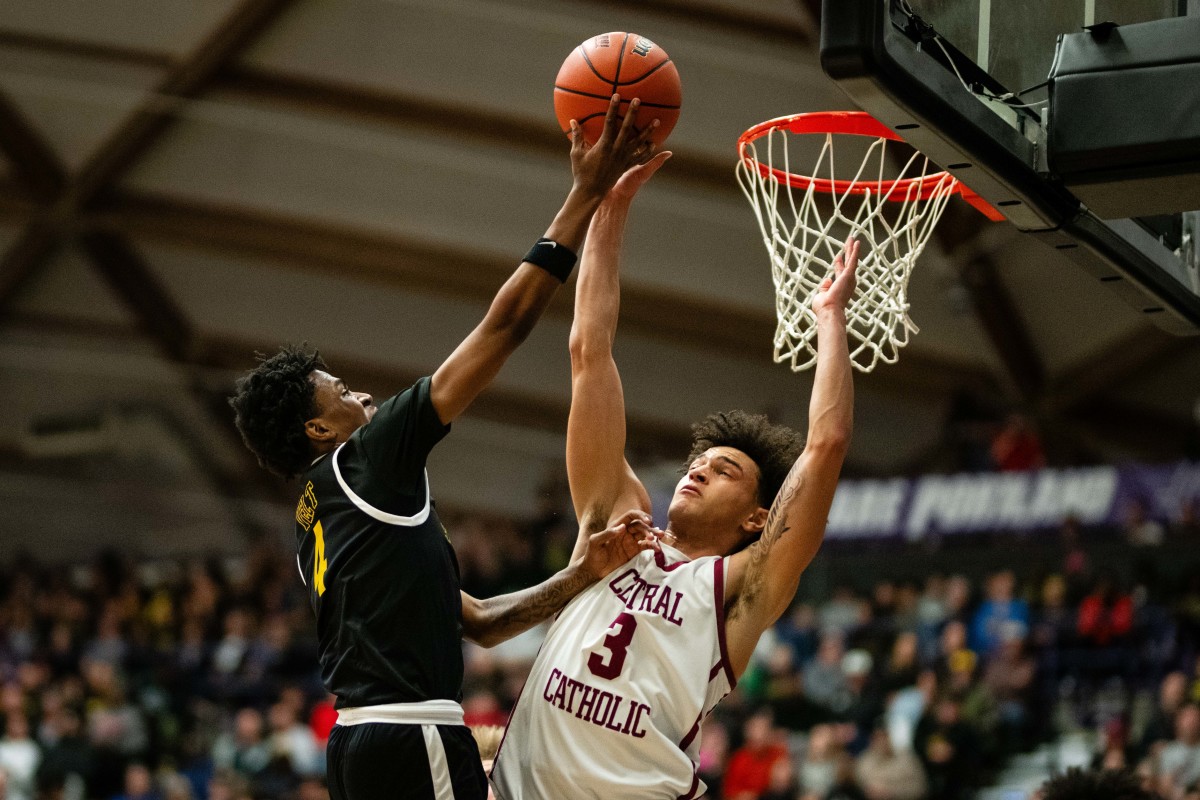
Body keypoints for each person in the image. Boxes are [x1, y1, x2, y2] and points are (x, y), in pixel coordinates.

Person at [228, 96, 661, 800]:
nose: (361, 394)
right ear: (316, 428)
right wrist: (582, 196)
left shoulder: (317, 514)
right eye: (339, 390)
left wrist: (583, 573)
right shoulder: (366, 459)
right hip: (411, 735)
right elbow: (504, 327)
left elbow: (484, 624)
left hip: (364, 743)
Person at [491, 152, 860, 797]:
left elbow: (825, 445)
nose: (696, 472)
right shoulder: (615, 529)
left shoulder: (741, 588)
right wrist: (609, 211)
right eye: (698, 463)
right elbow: (588, 354)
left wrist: (830, 321)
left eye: (723, 471)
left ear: (756, 517)